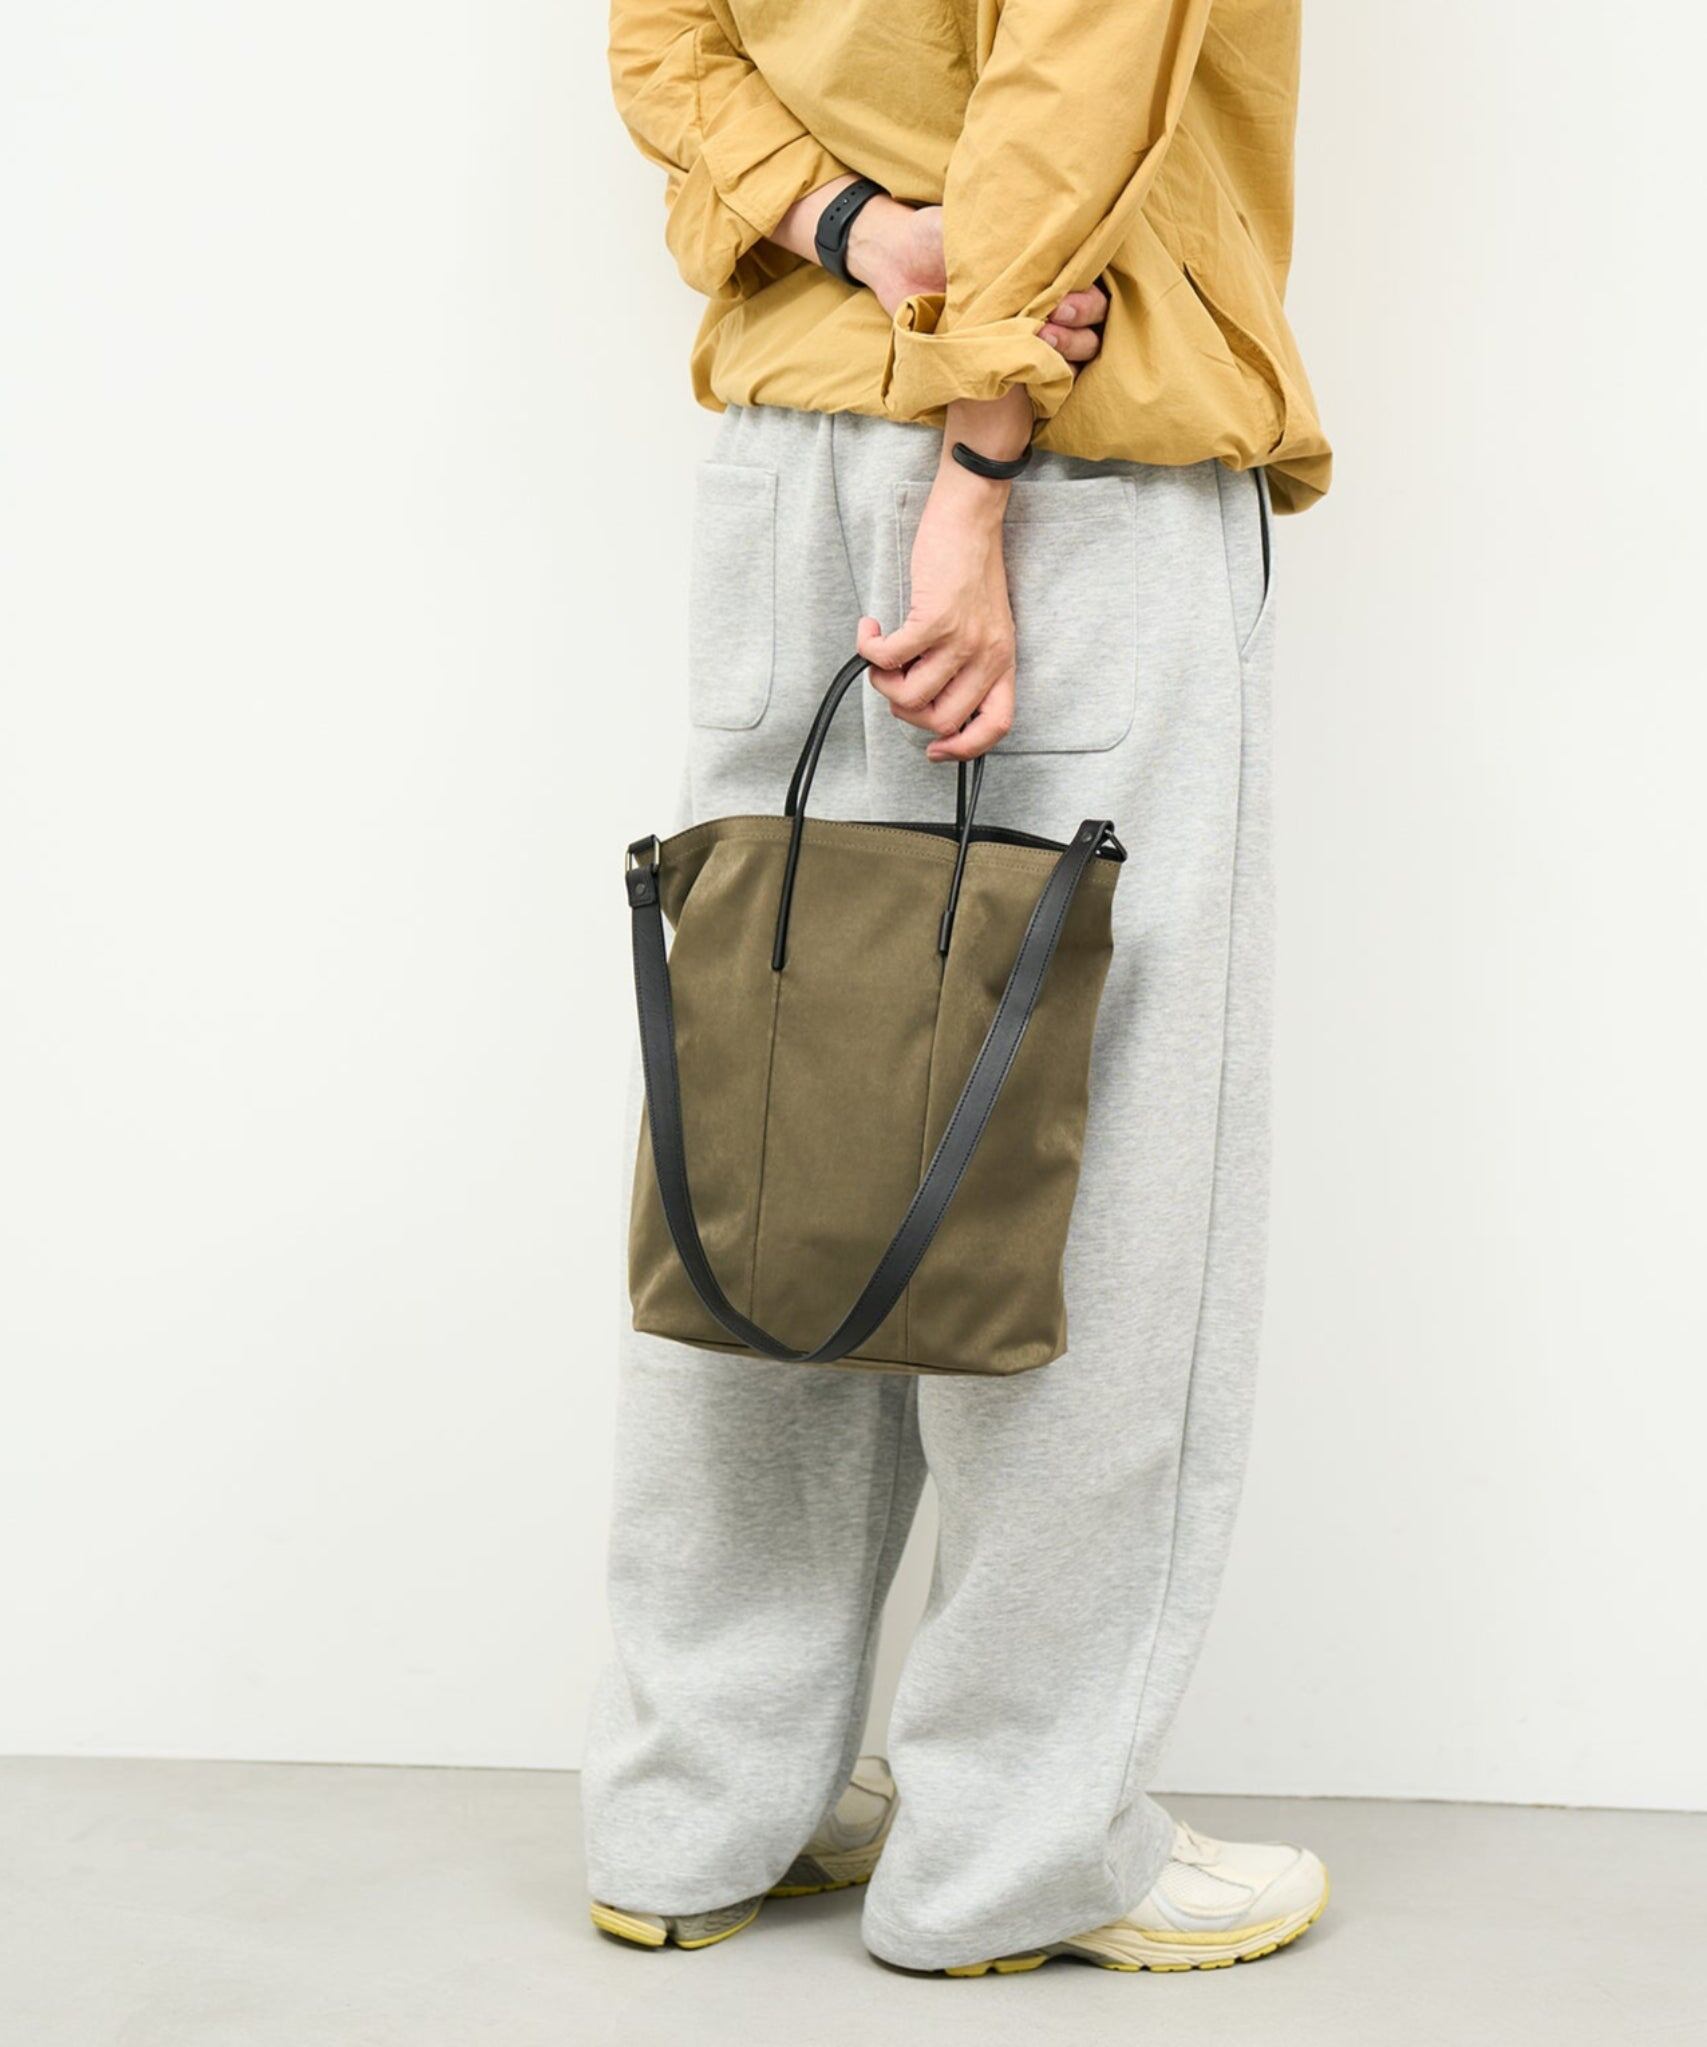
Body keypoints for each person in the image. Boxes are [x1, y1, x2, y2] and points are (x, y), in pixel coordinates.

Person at [583, 0, 1333, 1979]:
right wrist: (976, 468)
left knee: (774, 1127)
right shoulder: (999, 465)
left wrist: (841, 222)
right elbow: (1073, 78)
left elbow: (665, 36)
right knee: (1093, 1176)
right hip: (1051, 474)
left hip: (785, 459)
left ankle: (695, 1810)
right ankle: (1017, 1853)